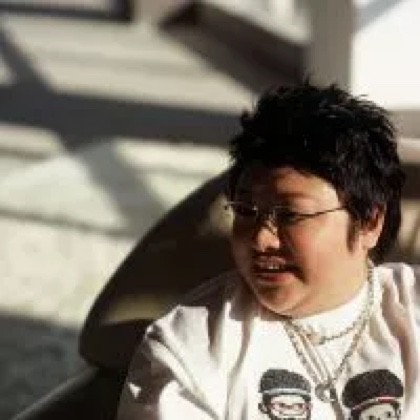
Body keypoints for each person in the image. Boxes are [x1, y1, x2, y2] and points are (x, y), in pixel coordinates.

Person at [116, 82, 420, 419]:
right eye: (246, 211)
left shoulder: (413, 309)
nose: (261, 239)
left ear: (369, 222)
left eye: (290, 215)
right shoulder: (189, 349)